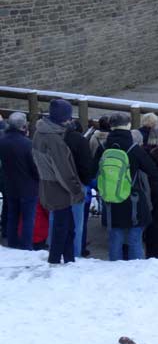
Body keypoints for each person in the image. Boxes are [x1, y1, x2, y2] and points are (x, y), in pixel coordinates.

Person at [95, 112, 156, 261]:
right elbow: (151, 169)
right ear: (128, 126)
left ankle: (115, 270)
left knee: (115, 238)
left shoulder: (103, 147)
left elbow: (92, 170)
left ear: (111, 126)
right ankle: (137, 271)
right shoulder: (134, 148)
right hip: (133, 198)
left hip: (111, 199)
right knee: (135, 239)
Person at [31, 99, 84, 264]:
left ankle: (68, 259)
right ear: (62, 118)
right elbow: (63, 171)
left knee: (67, 226)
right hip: (58, 188)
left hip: (47, 184)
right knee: (63, 227)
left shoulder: (39, 132)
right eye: (68, 118)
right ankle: (55, 260)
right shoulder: (54, 140)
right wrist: (76, 190)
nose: (70, 121)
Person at [0, 112, 38, 250]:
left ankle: (12, 244)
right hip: (28, 187)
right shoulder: (27, 144)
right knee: (28, 219)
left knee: (12, 216)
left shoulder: (2, 141)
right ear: (23, 126)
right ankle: (26, 247)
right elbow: (34, 167)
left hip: (10, 184)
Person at [64, 119, 94, 258]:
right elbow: (85, 164)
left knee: (57, 219)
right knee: (77, 223)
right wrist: (85, 182)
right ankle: (76, 254)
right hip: (77, 184)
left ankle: (55, 249)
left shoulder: (55, 138)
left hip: (58, 183)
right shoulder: (80, 141)